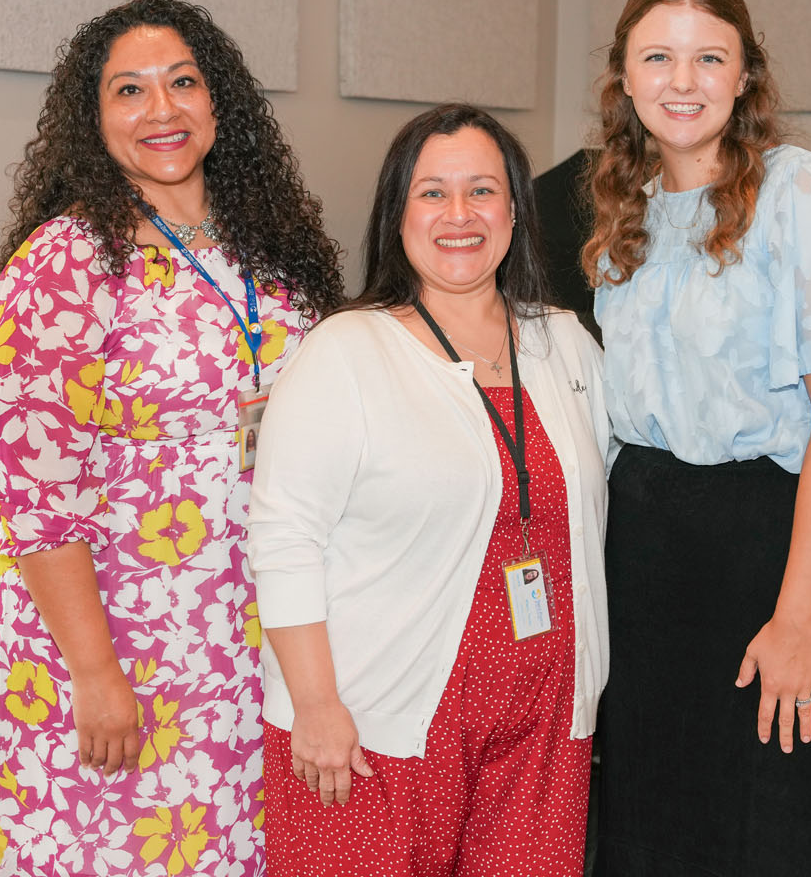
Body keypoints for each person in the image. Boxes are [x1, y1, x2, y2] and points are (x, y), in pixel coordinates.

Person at [0, 0, 344, 877]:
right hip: (123, 633)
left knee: (231, 841)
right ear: (92, 121)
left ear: (221, 102)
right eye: (128, 92)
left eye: (182, 82)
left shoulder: (270, 248)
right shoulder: (64, 266)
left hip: (251, 618)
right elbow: (37, 501)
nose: (162, 110)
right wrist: (95, 675)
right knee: (125, 849)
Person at [585, 0, 811, 876]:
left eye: (707, 58)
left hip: (781, 547)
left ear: (745, 76)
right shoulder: (626, 208)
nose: (681, 82)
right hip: (652, 558)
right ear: (625, 76)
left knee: (776, 827)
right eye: (658, 57)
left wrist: (799, 618)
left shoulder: (801, 194)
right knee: (655, 818)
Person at [246, 104, 611, 876]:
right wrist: (314, 707)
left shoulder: (564, 342)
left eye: (482, 191)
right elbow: (284, 536)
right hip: (377, 723)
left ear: (516, 209)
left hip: (542, 722)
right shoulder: (345, 352)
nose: (459, 215)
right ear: (397, 215)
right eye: (432, 193)